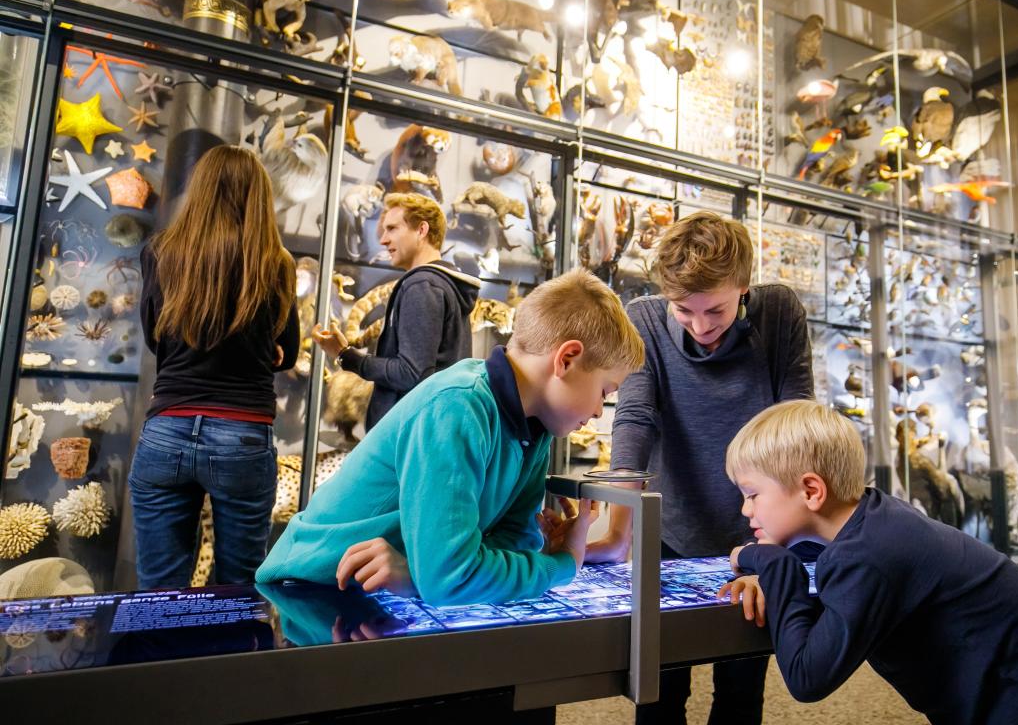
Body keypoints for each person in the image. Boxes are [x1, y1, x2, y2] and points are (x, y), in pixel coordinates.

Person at [721, 400, 1018, 725]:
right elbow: (823, 561)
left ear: (812, 491)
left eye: (752, 494)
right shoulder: (875, 519)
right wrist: (766, 556)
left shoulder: (870, 556)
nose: (745, 510)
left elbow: (806, 677)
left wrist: (776, 566)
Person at [256, 268, 645, 608]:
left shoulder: (535, 428)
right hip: (310, 590)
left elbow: (512, 543)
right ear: (566, 359)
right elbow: (452, 577)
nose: (598, 411)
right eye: (605, 391)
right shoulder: (458, 406)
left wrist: (421, 574)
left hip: (375, 594)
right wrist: (564, 563)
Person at [586, 211, 813, 725]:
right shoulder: (643, 318)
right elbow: (635, 419)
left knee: (740, 693)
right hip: (670, 529)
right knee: (659, 691)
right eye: (684, 311)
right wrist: (620, 529)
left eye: (716, 310)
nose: (701, 326)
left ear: (743, 286)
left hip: (757, 528)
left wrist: (773, 558)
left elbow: (795, 428)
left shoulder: (779, 313)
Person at [133, 145, 300, 589]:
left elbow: (156, 337)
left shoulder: (161, 251)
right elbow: (289, 350)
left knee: (158, 592)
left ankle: (162, 660)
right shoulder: (276, 263)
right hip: (242, 434)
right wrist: (261, 350)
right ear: (259, 197)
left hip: (167, 427)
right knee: (238, 587)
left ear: (199, 190)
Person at [312, 192, 480, 431]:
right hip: (427, 432)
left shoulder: (422, 285)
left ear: (422, 230)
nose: (383, 240)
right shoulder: (441, 285)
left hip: (409, 436)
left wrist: (347, 356)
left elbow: (411, 372)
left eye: (392, 229)